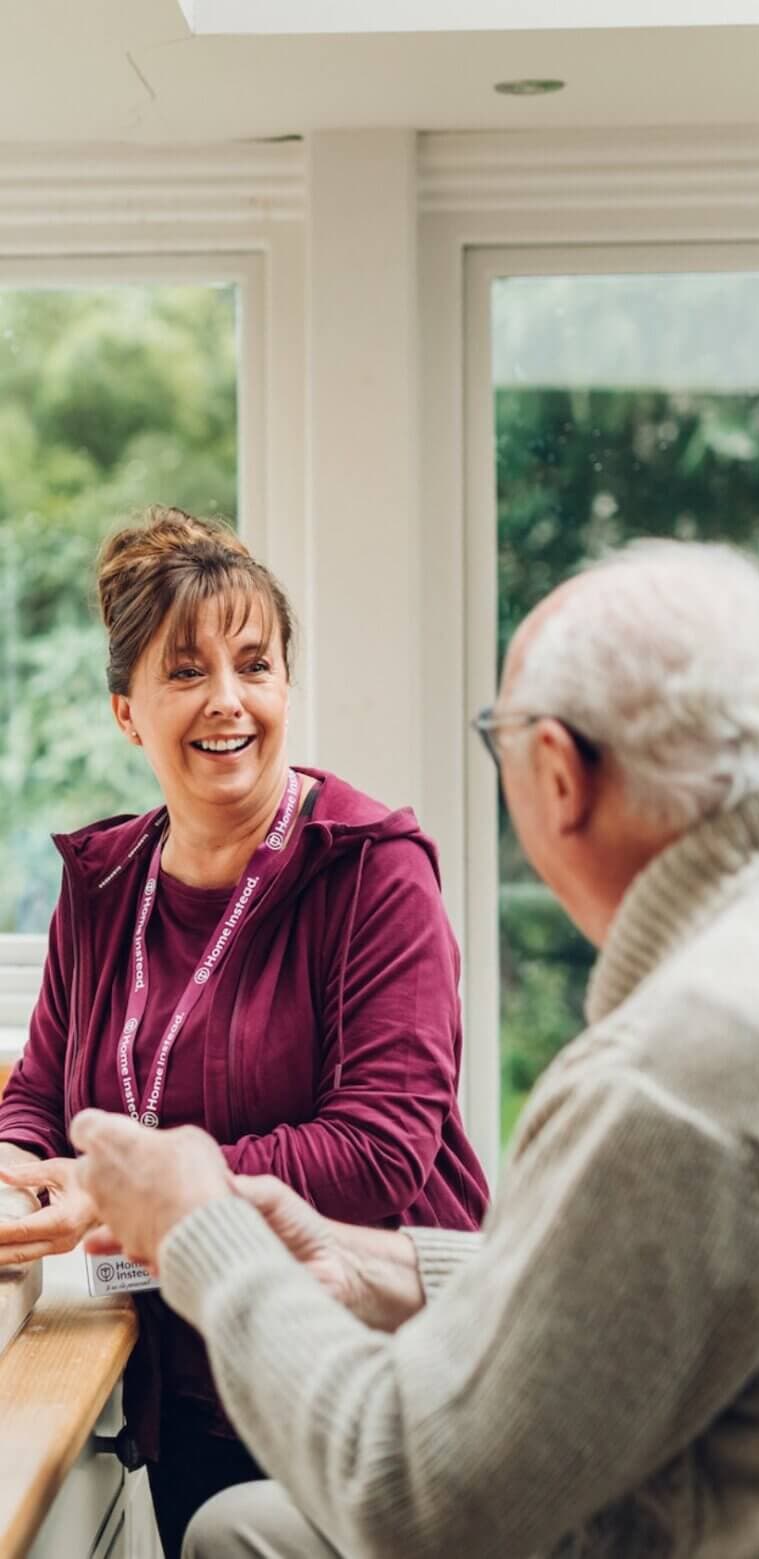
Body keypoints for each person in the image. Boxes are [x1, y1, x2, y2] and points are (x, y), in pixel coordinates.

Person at [62, 538, 759, 1557]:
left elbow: (411, 1493)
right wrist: (388, 1262)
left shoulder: (678, 1073)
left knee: (234, 1536)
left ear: (555, 770)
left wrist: (206, 1233)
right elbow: (658, 1284)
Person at [0, 508, 488, 1559]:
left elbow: (377, 1153)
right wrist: (16, 1163)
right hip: (178, 1378)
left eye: (254, 664)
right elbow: (41, 1088)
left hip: (361, 1366)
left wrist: (145, 1194)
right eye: (186, 670)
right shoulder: (102, 881)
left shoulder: (371, 869)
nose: (228, 698)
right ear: (129, 711)